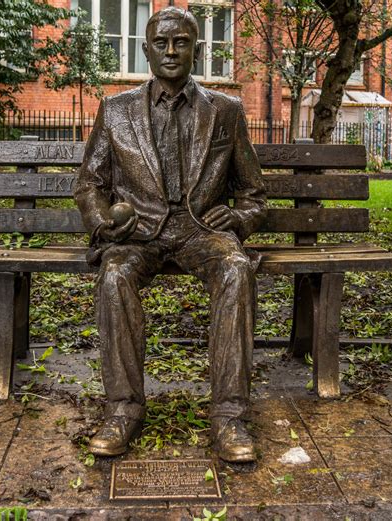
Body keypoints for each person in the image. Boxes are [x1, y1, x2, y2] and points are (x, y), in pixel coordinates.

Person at [74, 7, 267, 462]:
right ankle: (123, 409)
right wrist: (106, 222)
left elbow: (254, 194)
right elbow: (89, 184)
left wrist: (238, 220)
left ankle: (229, 417)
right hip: (138, 231)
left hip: (200, 230)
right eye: (161, 43)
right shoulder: (116, 110)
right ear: (146, 50)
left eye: (181, 42)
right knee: (116, 276)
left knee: (237, 270)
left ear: (197, 49)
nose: (171, 51)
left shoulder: (226, 110)